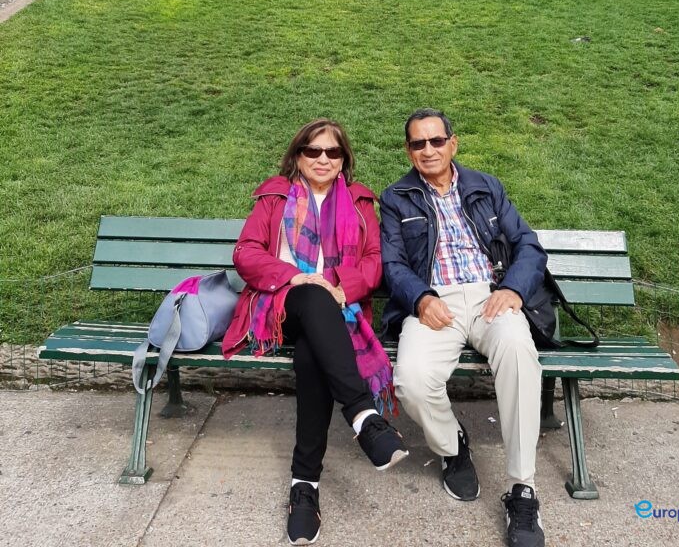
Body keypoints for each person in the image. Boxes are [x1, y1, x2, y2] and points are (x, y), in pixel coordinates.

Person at [222, 119, 408, 546]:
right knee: (311, 296)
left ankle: (304, 486)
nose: (323, 159)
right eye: (313, 151)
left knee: (313, 353)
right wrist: (294, 276)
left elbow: (375, 261)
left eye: (332, 152)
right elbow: (246, 252)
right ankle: (364, 415)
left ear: (343, 159)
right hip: (279, 306)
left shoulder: (360, 203)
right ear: (298, 156)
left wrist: (341, 286)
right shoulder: (275, 197)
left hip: (337, 309)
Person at [379, 110, 547, 547]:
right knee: (412, 381)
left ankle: (522, 488)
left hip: (491, 296)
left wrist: (512, 288)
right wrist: (420, 298)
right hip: (436, 303)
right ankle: (452, 446)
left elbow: (527, 244)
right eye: (419, 144)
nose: (429, 150)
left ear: (453, 144)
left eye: (436, 141)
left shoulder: (485, 186)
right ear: (409, 151)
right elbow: (392, 264)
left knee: (517, 354)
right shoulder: (396, 197)